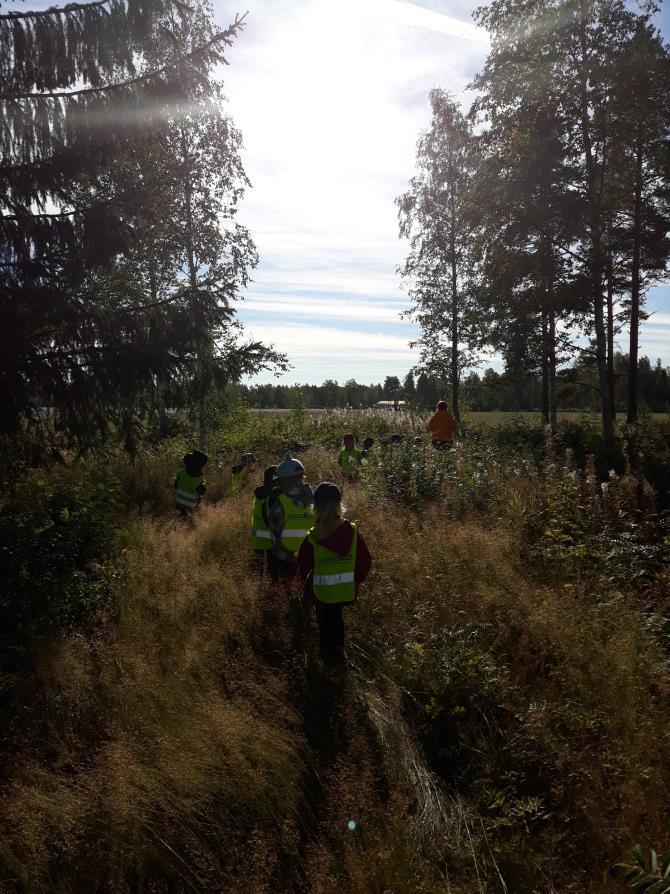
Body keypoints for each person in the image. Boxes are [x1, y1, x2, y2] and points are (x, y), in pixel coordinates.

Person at [298, 482, 372, 668]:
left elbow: (303, 565)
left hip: (322, 594)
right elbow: (365, 562)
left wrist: (303, 584)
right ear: (339, 504)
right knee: (337, 621)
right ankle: (339, 654)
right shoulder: (352, 532)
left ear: (316, 507)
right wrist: (355, 581)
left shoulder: (313, 537)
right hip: (345, 593)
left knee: (325, 626)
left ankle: (328, 662)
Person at [264, 452, 314, 581]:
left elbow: (273, 528)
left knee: (281, 591)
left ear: (285, 479)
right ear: (301, 477)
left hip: (284, 557)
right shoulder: (314, 498)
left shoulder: (281, 501)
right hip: (309, 556)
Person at [250, 464, 277, 568]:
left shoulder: (260, 493)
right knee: (271, 570)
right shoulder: (272, 496)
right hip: (270, 539)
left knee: (257, 568)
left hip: (258, 538)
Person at [174, 449, 208, 518]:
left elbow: (175, 485)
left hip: (178, 502)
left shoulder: (180, 472)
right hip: (191, 505)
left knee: (179, 520)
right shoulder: (200, 478)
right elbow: (201, 492)